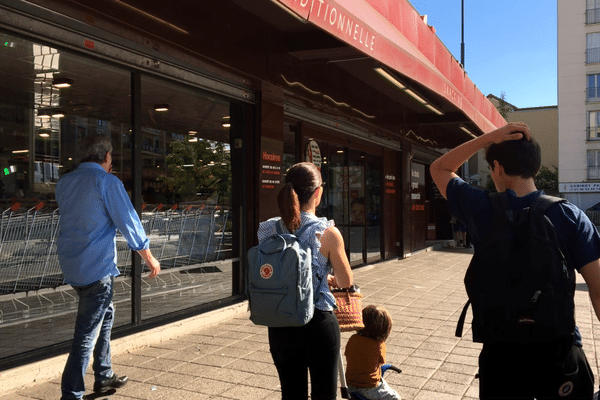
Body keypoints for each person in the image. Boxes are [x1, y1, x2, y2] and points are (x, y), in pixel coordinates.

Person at [430, 122, 600, 399]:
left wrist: (490, 137)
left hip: (501, 354)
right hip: (559, 352)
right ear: (535, 167)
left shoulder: (481, 207)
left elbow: (439, 167)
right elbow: (599, 290)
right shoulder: (568, 215)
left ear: (496, 167)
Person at [56, 134, 161, 400]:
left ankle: (103, 375)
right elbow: (129, 221)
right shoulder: (106, 181)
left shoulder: (65, 182)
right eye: (111, 157)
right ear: (106, 157)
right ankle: (71, 394)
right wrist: (149, 257)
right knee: (85, 335)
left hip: (73, 265)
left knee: (106, 312)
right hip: (97, 268)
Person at [257, 162, 354, 400]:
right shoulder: (327, 232)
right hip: (317, 323)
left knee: (291, 394)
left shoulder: (267, 229)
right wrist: (327, 277)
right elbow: (345, 280)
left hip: (280, 322)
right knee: (324, 394)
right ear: (318, 193)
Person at [345, 305, 401, 400]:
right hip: (368, 387)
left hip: (350, 385)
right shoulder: (379, 345)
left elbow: (347, 354)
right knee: (395, 398)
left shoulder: (353, 339)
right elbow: (381, 362)